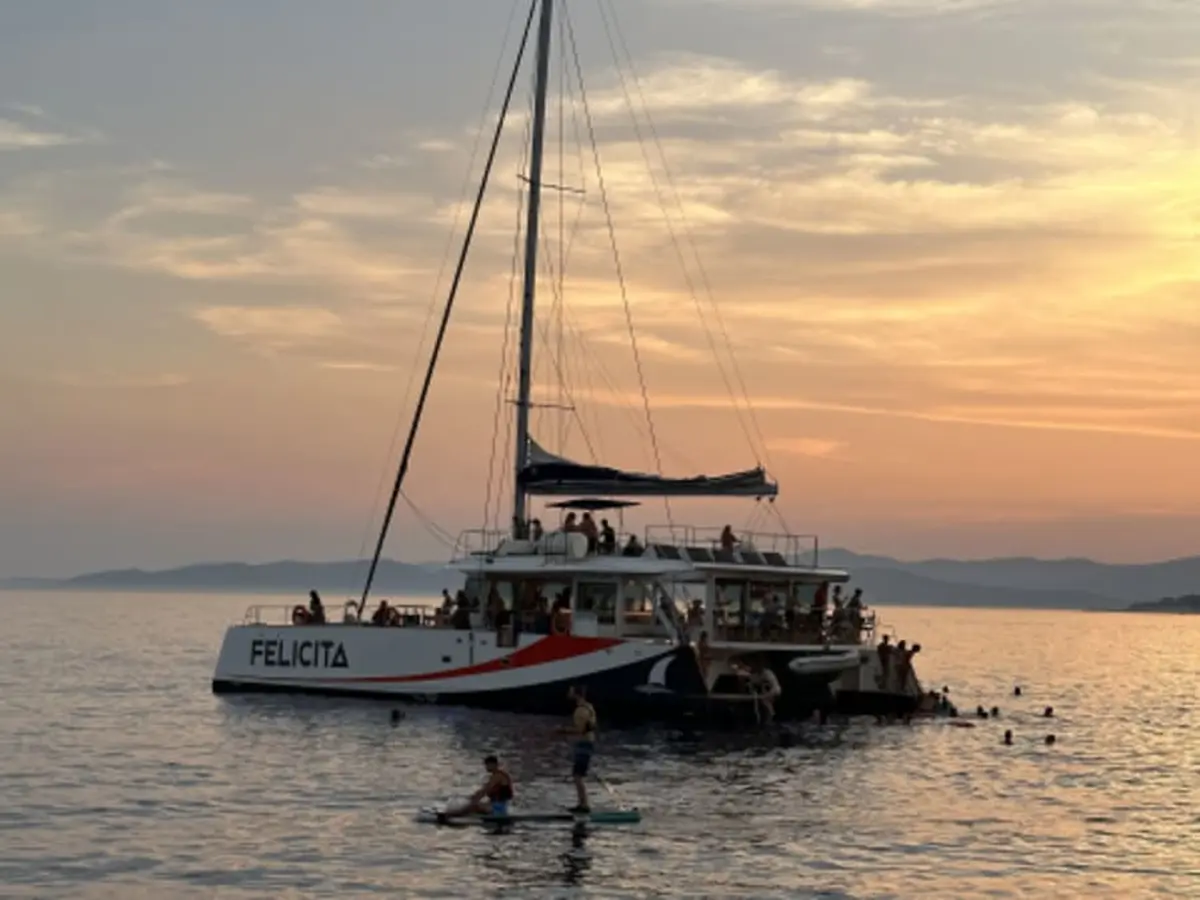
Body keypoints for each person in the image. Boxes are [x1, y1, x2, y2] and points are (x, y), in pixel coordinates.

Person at [438, 755, 514, 822]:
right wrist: (473, 797)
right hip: (496, 805)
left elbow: (484, 791)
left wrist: (473, 801)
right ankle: (453, 813)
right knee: (474, 805)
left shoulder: (497, 776)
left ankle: (449, 816)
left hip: (498, 809)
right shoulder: (495, 776)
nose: (486, 767)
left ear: (493, 764)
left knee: (472, 807)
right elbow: (483, 790)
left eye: (487, 765)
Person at [558, 685, 596, 813]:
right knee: (578, 775)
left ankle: (583, 804)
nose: (569, 692)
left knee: (577, 775)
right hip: (588, 743)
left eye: (571, 691)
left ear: (577, 694)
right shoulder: (589, 707)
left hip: (583, 744)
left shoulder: (580, 711)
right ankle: (582, 803)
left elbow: (580, 730)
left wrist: (563, 731)